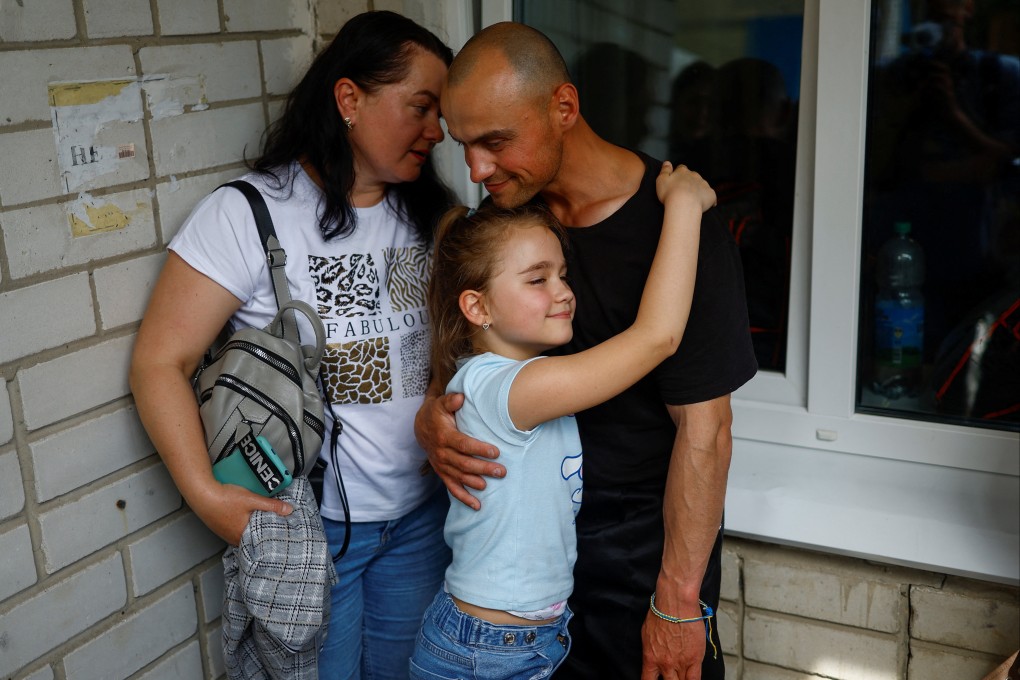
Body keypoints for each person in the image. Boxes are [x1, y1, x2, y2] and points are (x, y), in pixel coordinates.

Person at [414, 21, 758, 680]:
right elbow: (463, 333)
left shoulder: (678, 226)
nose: (477, 170)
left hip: (638, 559)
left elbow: (706, 430)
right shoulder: (509, 225)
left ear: (563, 109)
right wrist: (436, 414)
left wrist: (679, 602)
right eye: (464, 146)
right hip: (524, 580)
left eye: (495, 142)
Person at [130, 10, 455, 679]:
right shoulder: (249, 212)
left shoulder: (427, 212)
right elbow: (160, 362)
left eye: (441, 112)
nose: (437, 130)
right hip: (311, 533)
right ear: (349, 99)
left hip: (421, 522)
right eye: (421, 107)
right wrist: (205, 494)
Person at [410, 164, 715, 680]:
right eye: (537, 279)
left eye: (562, 274)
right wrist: (684, 206)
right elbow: (657, 337)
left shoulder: (514, 380)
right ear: (476, 307)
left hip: (526, 640)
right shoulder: (504, 388)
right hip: (485, 653)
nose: (563, 291)